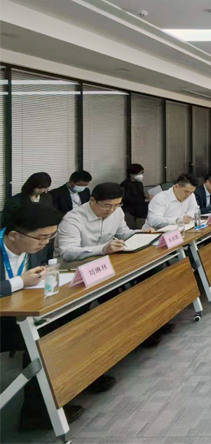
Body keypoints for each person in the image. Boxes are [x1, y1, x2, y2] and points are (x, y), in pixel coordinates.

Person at [0, 201, 90, 428]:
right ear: (14, 235)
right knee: (44, 338)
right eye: (41, 238)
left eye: (51, 237)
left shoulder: (35, 247)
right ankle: (36, 412)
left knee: (68, 322)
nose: (46, 243)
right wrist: (20, 282)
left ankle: (77, 384)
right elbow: (22, 281)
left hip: (18, 315)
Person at [56, 183, 143, 262]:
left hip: (105, 260)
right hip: (74, 265)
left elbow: (123, 234)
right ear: (93, 200)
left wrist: (142, 232)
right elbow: (68, 252)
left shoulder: (117, 210)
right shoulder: (72, 219)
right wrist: (102, 249)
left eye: (117, 205)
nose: (111, 210)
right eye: (107, 205)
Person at [121, 163, 151, 229]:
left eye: (142, 173)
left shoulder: (139, 184)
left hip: (140, 209)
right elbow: (127, 200)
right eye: (139, 173)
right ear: (131, 174)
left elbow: (141, 196)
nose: (141, 175)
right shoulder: (125, 185)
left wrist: (147, 199)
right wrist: (145, 200)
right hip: (130, 211)